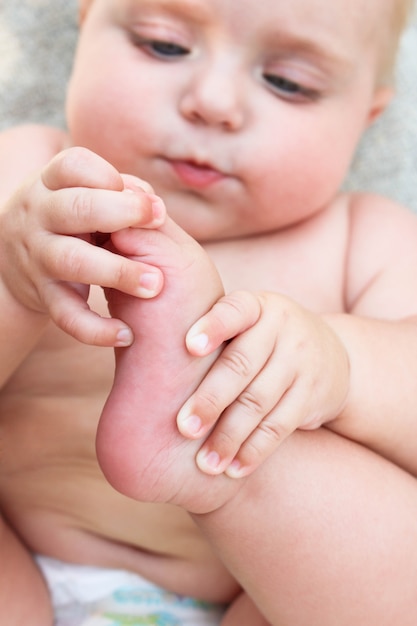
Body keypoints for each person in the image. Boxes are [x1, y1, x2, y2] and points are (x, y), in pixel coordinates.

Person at [1, 0, 417, 624]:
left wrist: (345, 366)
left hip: (266, 600)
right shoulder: (27, 181)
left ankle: (208, 473)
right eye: (163, 44)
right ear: (85, 24)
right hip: (21, 563)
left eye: (288, 83)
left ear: (366, 116)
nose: (213, 102)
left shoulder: (365, 240)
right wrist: (13, 283)